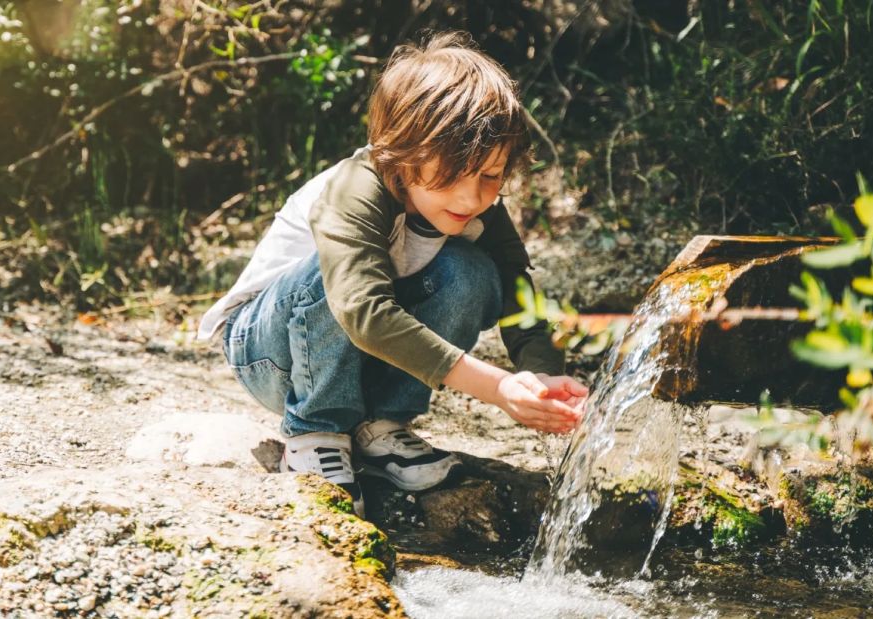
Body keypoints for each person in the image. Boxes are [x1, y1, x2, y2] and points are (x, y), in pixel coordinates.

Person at [197, 31, 588, 517]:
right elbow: (362, 313)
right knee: (335, 277)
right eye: (452, 173)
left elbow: (517, 294)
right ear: (403, 152)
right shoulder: (355, 190)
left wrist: (543, 377)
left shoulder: (480, 210)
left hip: (361, 358)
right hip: (269, 354)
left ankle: (382, 426)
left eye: (491, 175)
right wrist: (497, 388)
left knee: (474, 273)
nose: (471, 197)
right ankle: (316, 430)